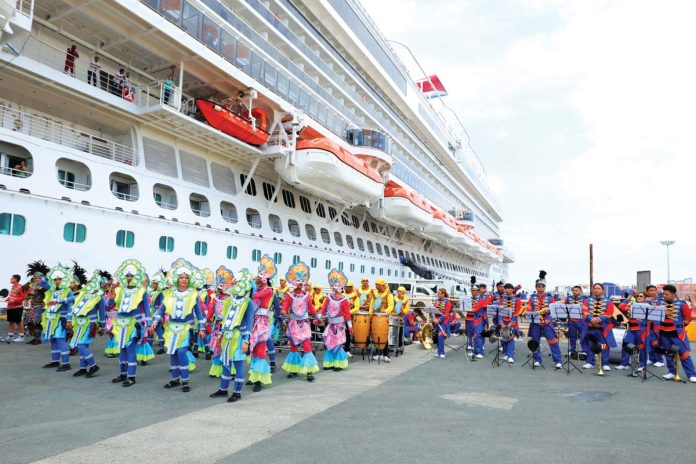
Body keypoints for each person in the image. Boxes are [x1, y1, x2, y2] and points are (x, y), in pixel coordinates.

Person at [150, 259, 206, 393]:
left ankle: (185, 380)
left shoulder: (194, 294)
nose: (184, 280)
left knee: (181, 351)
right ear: (177, 279)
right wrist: (155, 320)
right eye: (181, 277)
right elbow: (161, 309)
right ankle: (175, 379)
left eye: (186, 277)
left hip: (185, 327)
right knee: (173, 353)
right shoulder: (169, 293)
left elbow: (198, 312)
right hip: (171, 327)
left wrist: (202, 328)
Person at [208, 269, 255, 401]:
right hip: (227, 337)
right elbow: (225, 319)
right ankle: (223, 389)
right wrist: (220, 334)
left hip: (239, 337)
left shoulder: (248, 302)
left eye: (240, 282)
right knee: (225, 364)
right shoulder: (230, 300)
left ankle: (237, 392)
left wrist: (246, 341)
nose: (236, 283)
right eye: (236, 281)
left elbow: (249, 322)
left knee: (238, 364)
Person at [110, 259, 149, 387]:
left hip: (134, 324)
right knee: (121, 348)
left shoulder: (142, 291)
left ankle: (131, 376)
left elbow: (147, 309)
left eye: (131, 275)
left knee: (130, 348)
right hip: (121, 323)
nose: (129, 278)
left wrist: (149, 324)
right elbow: (111, 304)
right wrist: (111, 295)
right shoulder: (120, 290)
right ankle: (123, 373)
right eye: (127, 275)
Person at [281, 262, 319, 381]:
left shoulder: (307, 295)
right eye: (298, 280)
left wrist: (318, 316)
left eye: (302, 280)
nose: (300, 283)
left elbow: (311, 308)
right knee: (293, 347)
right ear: (293, 282)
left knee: (307, 347)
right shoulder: (289, 295)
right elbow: (285, 306)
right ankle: (294, 370)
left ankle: (309, 371)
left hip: (304, 324)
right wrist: (283, 311)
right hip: (293, 324)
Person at [249, 255, 280, 391]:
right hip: (253, 321)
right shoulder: (259, 289)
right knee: (254, 350)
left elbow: (254, 296)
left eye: (260, 277)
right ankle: (254, 376)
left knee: (261, 350)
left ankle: (259, 380)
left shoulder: (268, 290)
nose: (258, 279)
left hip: (262, 322)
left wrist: (250, 284)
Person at [654, 284, 696, 382]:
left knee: (684, 353)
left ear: (673, 294)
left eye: (667, 294)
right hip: (664, 332)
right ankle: (671, 372)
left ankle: (692, 374)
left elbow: (687, 319)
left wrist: (679, 327)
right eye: (663, 294)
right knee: (668, 353)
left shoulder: (682, 304)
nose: (664, 296)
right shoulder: (660, 303)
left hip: (676, 333)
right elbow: (655, 316)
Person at [69, 268, 106, 378]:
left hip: (91, 324)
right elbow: (74, 308)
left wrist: (103, 327)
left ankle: (93, 365)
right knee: (83, 346)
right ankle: (83, 368)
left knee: (81, 345)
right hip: (80, 323)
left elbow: (102, 313)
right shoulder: (83, 294)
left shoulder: (99, 297)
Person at [41, 265, 75, 371]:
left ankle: (66, 363)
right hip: (50, 319)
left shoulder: (67, 291)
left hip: (61, 319)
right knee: (53, 340)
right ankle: (55, 361)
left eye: (59, 279)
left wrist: (69, 320)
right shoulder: (51, 289)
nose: (57, 281)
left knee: (61, 340)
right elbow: (41, 283)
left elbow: (71, 304)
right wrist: (50, 273)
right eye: (55, 279)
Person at [527, 271, 563, 369]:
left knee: (553, 341)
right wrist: (533, 317)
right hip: (536, 323)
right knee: (535, 342)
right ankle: (537, 360)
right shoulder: (532, 297)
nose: (540, 288)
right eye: (538, 286)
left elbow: (554, 311)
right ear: (536, 287)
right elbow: (529, 309)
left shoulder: (550, 298)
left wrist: (549, 319)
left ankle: (558, 361)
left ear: (545, 287)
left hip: (547, 323)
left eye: (542, 286)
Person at [318, 269, 352, 371]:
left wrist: (350, 327)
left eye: (339, 286)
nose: (337, 288)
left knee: (339, 344)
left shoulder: (344, 300)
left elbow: (347, 314)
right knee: (330, 343)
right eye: (335, 286)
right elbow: (323, 309)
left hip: (340, 325)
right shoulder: (328, 298)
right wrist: (318, 317)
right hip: (331, 325)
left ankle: (339, 364)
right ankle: (330, 363)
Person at [581, 283, 617, 371]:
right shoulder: (587, 300)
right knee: (590, 344)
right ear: (593, 290)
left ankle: (605, 363)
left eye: (598, 288)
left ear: (603, 290)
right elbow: (585, 311)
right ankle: (590, 362)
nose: (596, 290)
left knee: (604, 345)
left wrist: (597, 319)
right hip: (590, 326)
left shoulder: (609, 301)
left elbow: (609, 314)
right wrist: (591, 319)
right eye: (595, 288)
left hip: (603, 327)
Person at [208, 266, 234, 378]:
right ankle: (216, 369)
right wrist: (207, 319)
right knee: (217, 347)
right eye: (219, 285)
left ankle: (230, 369)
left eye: (222, 285)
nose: (220, 288)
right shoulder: (216, 298)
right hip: (217, 326)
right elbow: (210, 310)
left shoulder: (231, 298)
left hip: (228, 326)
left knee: (227, 347)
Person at [616, 292, 648, 371]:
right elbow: (620, 306)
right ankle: (624, 364)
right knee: (626, 345)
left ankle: (642, 365)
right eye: (638, 296)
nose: (639, 297)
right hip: (630, 329)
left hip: (641, 330)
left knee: (641, 347)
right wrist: (627, 299)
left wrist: (642, 320)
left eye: (641, 296)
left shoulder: (648, 307)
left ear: (645, 298)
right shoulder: (631, 305)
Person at [23, 261, 50, 345]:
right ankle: (35, 338)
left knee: (37, 323)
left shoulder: (46, 285)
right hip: (30, 307)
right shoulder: (30, 285)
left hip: (40, 307)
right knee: (30, 323)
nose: (37, 279)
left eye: (39, 278)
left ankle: (38, 338)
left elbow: (46, 290)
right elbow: (24, 291)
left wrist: (39, 287)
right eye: (35, 278)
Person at [370, 277, 394, 362]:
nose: (375, 286)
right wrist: (370, 314)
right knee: (376, 335)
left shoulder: (389, 294)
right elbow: (372, 304)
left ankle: (386, 354)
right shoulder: (375, 294)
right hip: (376, 316)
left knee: (384, 335)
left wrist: (385, 311)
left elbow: (391, 306)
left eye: (377, 284)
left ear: (381, 285)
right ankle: (378, 354)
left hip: (385, 317)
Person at [564, 285, 588, 359]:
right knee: (572, 336)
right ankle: (572, 350)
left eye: (576, 290)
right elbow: (565, 307)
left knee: (582, 335)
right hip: (571, 320)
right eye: (573, 290)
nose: (574, 292)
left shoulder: (584, 299)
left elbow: (587, 309)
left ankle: (584, 350)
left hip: (581, 320)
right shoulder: (569, 298)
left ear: (580, 291)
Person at [500, 283, 521, 362]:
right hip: (503, 321)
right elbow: (499, 311)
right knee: (503, 339)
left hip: (512, 322)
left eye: (509, 288)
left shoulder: (517, 299)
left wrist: (511, 323)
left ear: (512, 289)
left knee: (510, 338)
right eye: (506, 288)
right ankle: (505, 353)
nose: (507, 290)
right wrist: (501, 322)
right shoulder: (502, 299)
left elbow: (517, 312)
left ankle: (510, 356)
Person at [645, 285, 664, 367]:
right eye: (650, 290)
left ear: (656, 291)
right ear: (647, 292)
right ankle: (652, 359)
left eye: (654, 290)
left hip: (657, 326)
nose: (652, 292)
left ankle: (660, 360)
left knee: (656, 343)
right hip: (648, 326)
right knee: (649, 342)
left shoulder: (661, 301)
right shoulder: (644, 301)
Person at [4, 274, 26, 343]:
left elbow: (23, 297)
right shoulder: (13, 287)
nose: (10, 279)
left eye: (12, 278)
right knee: (11, 322)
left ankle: (21, 336)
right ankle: (10, 336)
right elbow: (12, 296)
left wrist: (14, 300)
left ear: (15, 279)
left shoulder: (21, 287)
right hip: (10, 307)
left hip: (17, 308)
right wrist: (7, 299)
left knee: (18, 322)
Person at [432, 288, 452, 359]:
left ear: (443, 294)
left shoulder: (448, 302)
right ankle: (438, 352)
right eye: (437, 293)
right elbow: (433, 310)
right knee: (437, 337)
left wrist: (439, 320)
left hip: (444, 322)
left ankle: (442, 352)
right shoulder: (436, 301)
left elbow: (446, 314)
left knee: (441, 337)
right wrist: (434, 318)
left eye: (439, 293)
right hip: (436, 321)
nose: (438, 294)